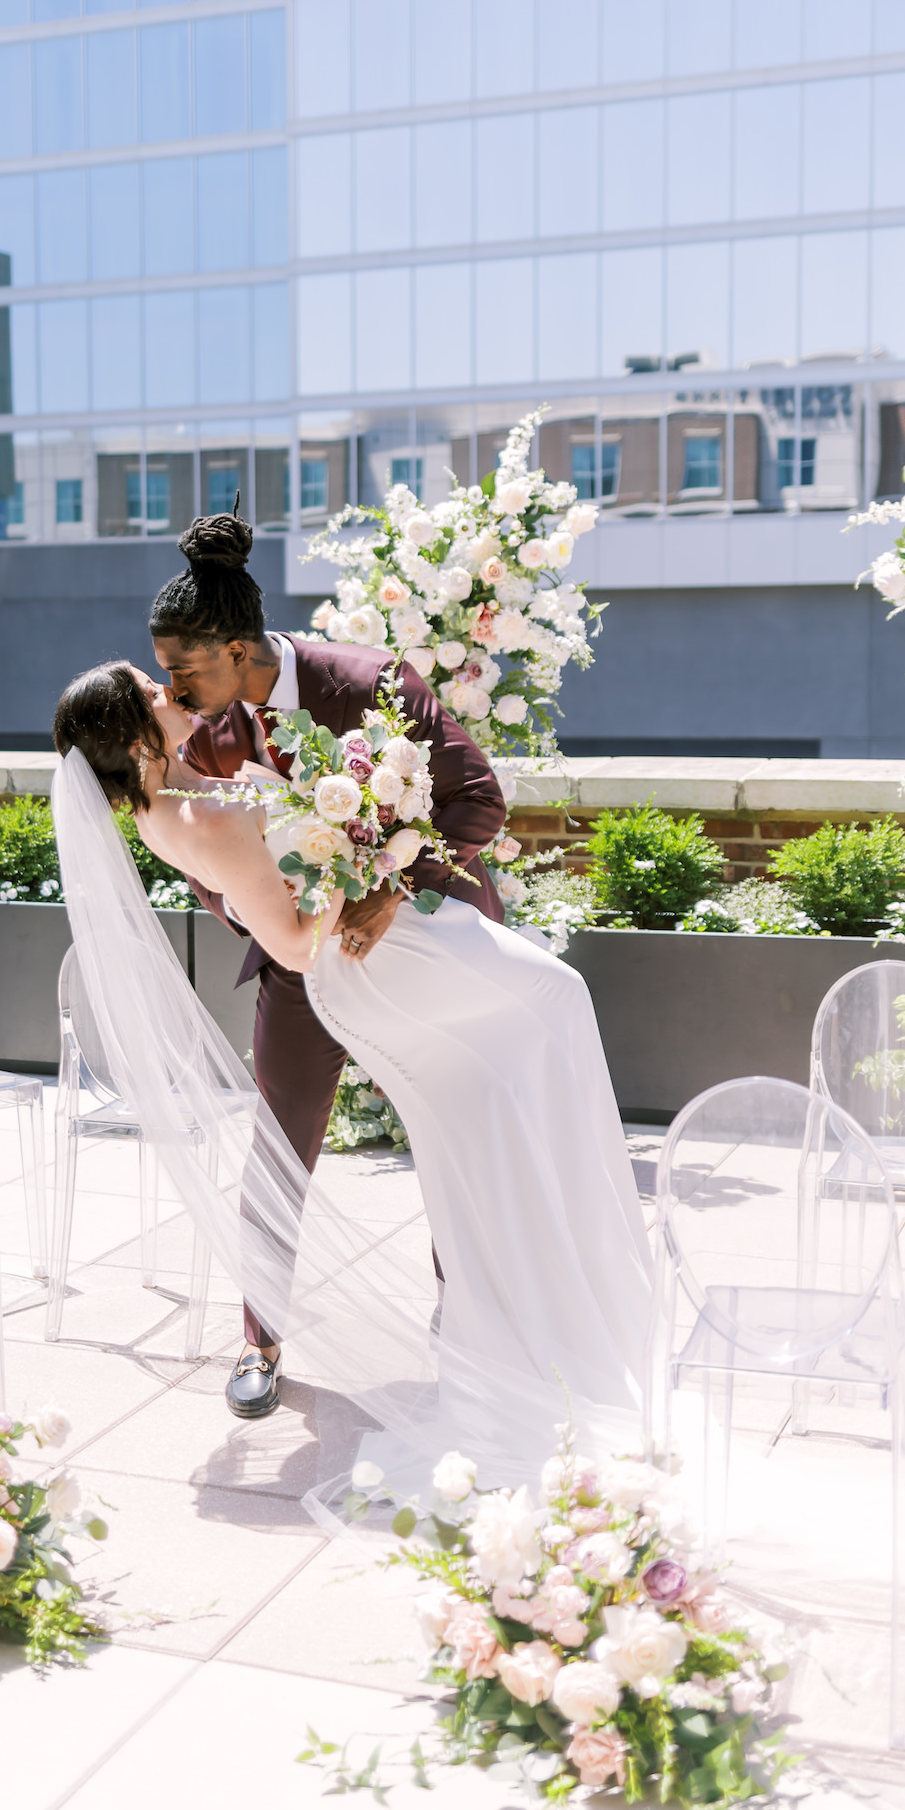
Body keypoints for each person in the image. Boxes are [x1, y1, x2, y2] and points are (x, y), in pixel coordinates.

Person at [49, 658, 652, 1500]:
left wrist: (361, 833)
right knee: (553, 1001)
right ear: (130, 737)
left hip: (383, 935)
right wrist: (348, 859)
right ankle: (520, 1292)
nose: (166, 689)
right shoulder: (198, 816)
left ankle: (521, 1287)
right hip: (364, 957)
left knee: (519, 1052)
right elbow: (294, 942)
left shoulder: (179, 793)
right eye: (148, 692)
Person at [147, 514, 507, 1421]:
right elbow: (207, 869)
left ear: (236, 649)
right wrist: (264, 921)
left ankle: (464, 1320)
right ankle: (259, 1339)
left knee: (453, 1135)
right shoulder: (207, 736)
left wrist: (395, 886)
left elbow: (477, 798)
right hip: (302, 968)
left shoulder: (372, 682)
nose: (172, 686)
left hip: (421, 948)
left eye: (184, 669)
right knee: (280, 1148)